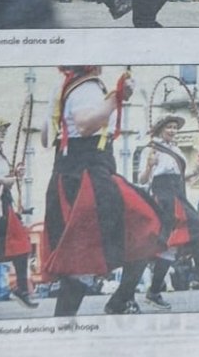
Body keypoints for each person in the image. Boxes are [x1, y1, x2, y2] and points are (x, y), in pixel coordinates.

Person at [41, 66, 163, 315]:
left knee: (81, 260)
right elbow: (85, 126)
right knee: (148, 223)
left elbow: (46, 138)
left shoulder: (63, 86)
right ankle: (117, 300)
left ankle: (115, 301)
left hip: (68, 175)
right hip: (89, 177)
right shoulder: (87, 87)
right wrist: (117, 98)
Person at [139, 114, 199, 309]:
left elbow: (180, 176)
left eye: (175, 127)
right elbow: (142, 179)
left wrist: (197, 171)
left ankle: (155, 291)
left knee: (173, 244)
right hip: (163, 197)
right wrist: (149, 166)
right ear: (159, 129)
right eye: (169, 127)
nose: (172, 131)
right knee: (188, 230)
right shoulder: (151, 149)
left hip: (178, 195)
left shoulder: (176, 150)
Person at [0, 117, 38, 310]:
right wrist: (4, 181)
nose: (3, 131)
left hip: (1, 202)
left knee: (14, 244)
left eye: (5, 129)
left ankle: (22, 288)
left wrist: (14, 173)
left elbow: (1, 175)